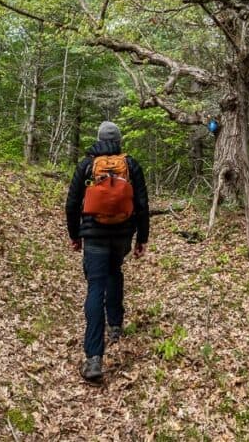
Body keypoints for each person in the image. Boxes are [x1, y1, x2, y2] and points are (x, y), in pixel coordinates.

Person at [65, 121, 150, 383]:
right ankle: (115, 325)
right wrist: (142, 238)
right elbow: (142, 204)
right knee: (115, 272)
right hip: (122, 235)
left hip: (94, 235)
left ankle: (94, 358)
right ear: (119, 141)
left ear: (99, 139)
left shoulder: (87, 165)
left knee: (95, 287)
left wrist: (75, 235)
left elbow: (72, 203)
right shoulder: (131, 165)